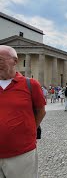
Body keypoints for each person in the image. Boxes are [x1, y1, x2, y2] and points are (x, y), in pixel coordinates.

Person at [0, 45, 46, 177]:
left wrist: (28, 130)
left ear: (15, 61)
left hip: (22, 153)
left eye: (0, 60)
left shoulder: (30, 84)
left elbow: (40, 111)